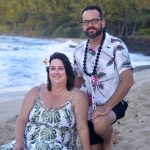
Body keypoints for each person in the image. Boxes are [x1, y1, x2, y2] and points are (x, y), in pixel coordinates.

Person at [0, 52, 90, 150]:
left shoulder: (77, 97)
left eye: (60, 68)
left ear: (67, 71)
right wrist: (19, 142)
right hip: (26, 143)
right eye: (52, 68)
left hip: (57, 146)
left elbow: (82, 128)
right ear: (48, 71)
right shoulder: (35, 91)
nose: (56, 72)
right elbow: (22, 119)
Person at [74, 5, 134, 150]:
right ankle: (107, 133)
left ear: (102, 22)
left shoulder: (116, 46)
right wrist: (59, 85)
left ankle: (108, 138)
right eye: (86, 22)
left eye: (94, 21)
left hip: (115, 101)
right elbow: (78, 81)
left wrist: (107, 107)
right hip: (90, 106)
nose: (90, 25)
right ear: (83, 26)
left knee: (100, 124)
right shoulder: (78, 51)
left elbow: (128, 80)